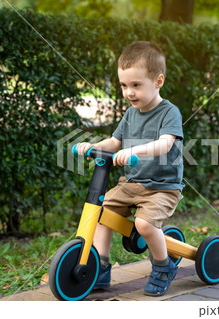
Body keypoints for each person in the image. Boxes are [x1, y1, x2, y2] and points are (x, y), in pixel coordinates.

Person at [76, 41, 184, 296]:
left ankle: (162, 266)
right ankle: (101, 265)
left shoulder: (169, 113)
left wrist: (134, 151)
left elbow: (165, 144)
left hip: (162, 188)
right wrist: (91, 146)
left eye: (136, 85)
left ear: (158, 81)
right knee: (100, 212)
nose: (129, 92)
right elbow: (114, 142)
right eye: (124, 85)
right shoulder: (130, 113)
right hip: (132, 184)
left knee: (145, 226)